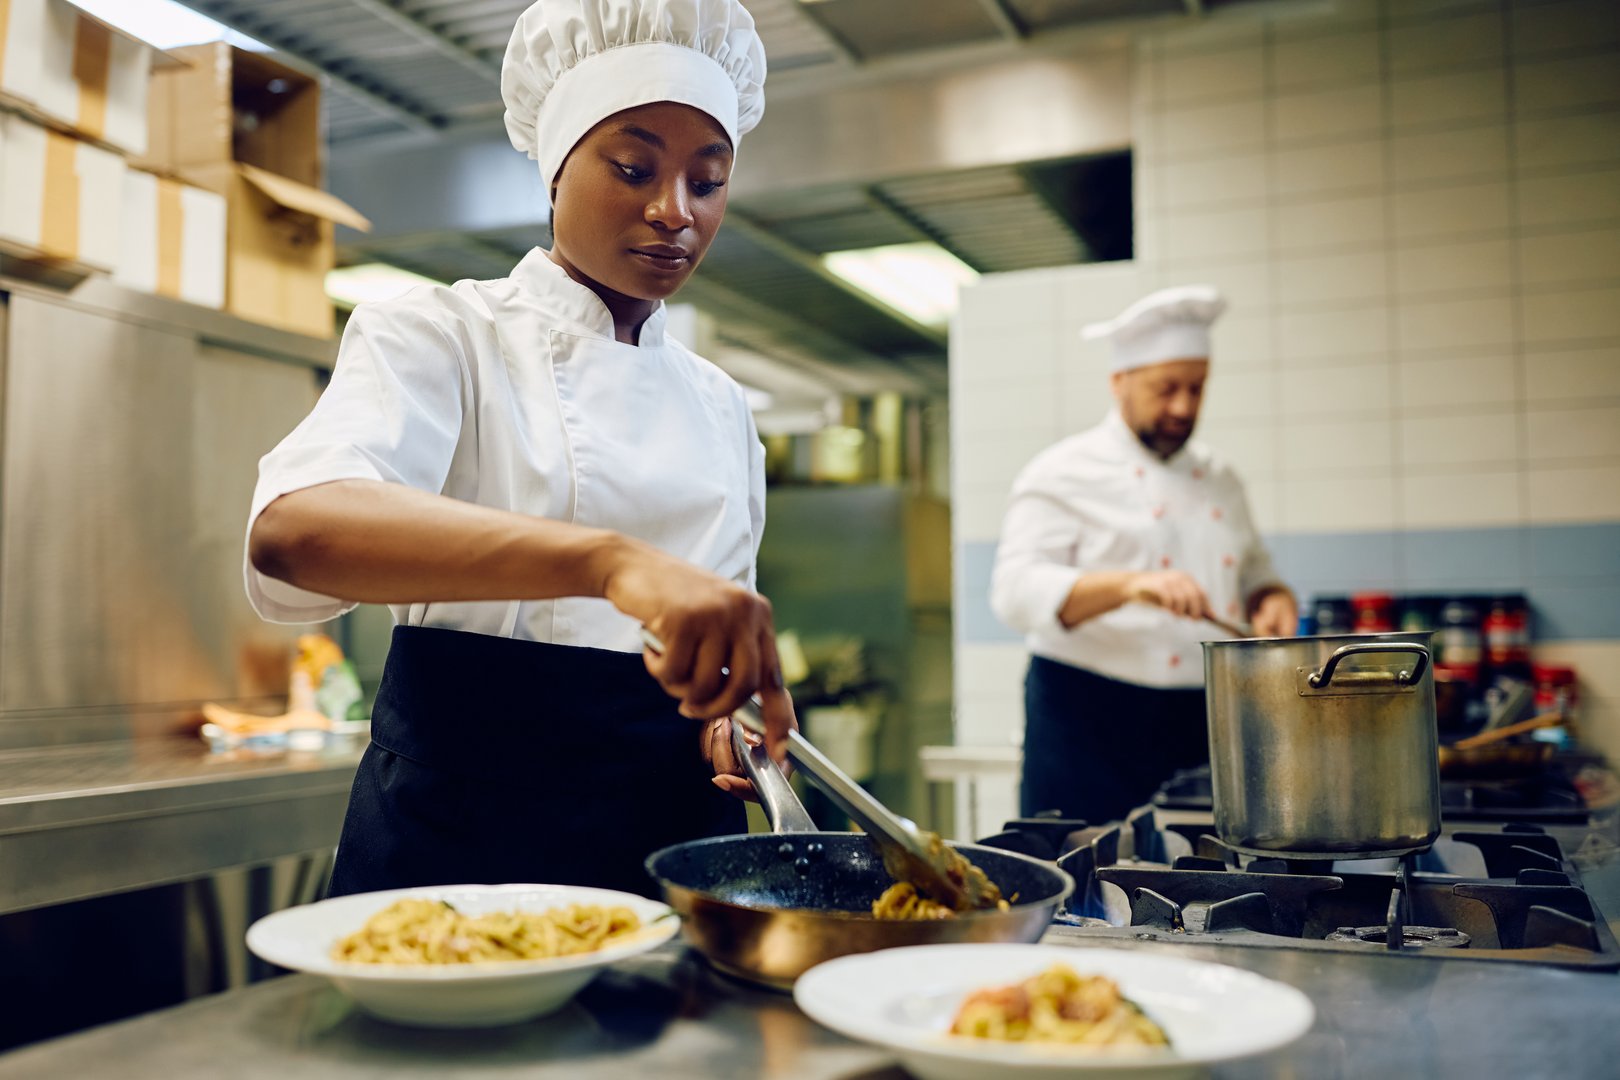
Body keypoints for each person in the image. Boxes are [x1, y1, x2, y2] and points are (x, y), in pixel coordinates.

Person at [244, 0, 794, 899]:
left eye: (708, 180)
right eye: (632, 166)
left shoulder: (722, 405)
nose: (674, 211)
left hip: (672, 842)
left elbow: (712, 638)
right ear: (554, 167)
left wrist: (720, 714)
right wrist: (611, 564)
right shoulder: (440, 334)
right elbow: (294, 532)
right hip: (463, 837)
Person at [989, 285, 1295, 825]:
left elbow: (1256, 574)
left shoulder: (1221, 478)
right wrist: (1130, 586)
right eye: (1166, 388)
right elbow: (1014, 593)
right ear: (1119, 382)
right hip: (1087, 722)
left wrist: (1270, 598)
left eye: (1197, 389)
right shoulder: (1062, 470)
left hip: (1200, 721)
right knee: (1080, 885)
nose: (1183, 407)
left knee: (1198, 885)